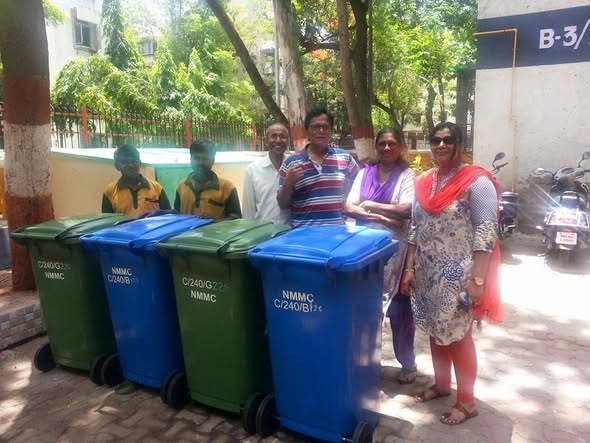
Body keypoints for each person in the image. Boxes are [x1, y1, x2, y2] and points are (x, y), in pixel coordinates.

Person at [400, 122, 503, 425]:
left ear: (460, 144)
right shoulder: (424, 182)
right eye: (436, 140)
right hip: (428, 274)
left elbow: (486, 232)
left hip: (459, 275)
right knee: (436, 330)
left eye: (448, 140)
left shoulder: (477, 182)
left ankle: (467, 402)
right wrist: (409, 267)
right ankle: (443, 385)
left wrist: (478, 280)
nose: (441, 145)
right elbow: (415, 228)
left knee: (459, 336)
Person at [345, 128, 417, 384]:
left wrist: (370, 205)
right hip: (363, 254)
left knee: (399, 312)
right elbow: (348, 206)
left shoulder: (407, 175)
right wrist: (385, 218)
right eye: (382, 143)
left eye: (392, 143)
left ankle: (407, 363)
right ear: (376, 146)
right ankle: (365, 361)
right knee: (364, 309)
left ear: (401, 147)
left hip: (395, 255)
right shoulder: (364, 173)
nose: (387, 148)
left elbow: (406, 210)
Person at [277, 107, 358, 226]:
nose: (321, 131)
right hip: (303, 234)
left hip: (337, 232)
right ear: (307, 131)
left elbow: (359, 190)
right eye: (315, 127)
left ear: (331, 131)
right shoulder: (291, 163)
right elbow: (282, 205)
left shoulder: (345, 159)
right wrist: (288, 184)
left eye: (325, 127)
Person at [174, 141, 241, 220]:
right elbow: (177, 213)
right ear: (191, 159)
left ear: (212, 161)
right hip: (187, 229)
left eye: (205, 159)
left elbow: (236, 218)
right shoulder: (182, 185)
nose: (201, 163)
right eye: (197, 158)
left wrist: (214, 222)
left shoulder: (227, 187)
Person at [102, 144, 171, 217]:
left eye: (134, 161)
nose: (130, 165)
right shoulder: (110, 192)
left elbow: (169, 217)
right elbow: (108, 222)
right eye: (125, 162)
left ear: (140, 163)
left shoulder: (157, 188)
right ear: (116, 166)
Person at [242, 123, 290, 224]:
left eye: (282, 136)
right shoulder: (253, 170)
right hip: (263, 231)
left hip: (290, 230)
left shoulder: (294, 166)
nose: (278, 140)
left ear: (288, 141)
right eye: (274, 136)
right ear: (266, 141)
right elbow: (248, 211)